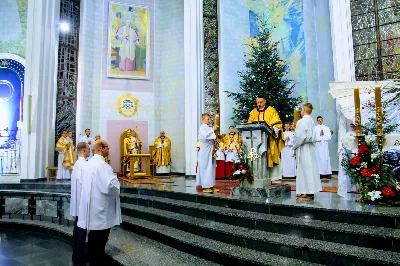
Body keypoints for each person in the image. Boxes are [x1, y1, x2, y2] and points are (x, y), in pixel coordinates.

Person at [77, 139, 121, 266]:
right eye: (107, 147)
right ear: (101, 148)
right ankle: (98, 257)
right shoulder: (103, 166)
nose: (109, 150)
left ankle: (93, 256)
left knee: (94, 234)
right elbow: (109, 186)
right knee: (101, 234)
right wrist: (116, 181)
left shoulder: (89, 163)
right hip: (101, 207)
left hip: (92, 206)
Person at [248, 95, 285, 180]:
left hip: (269, 139)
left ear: (265, 102)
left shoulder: (271, 111)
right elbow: (249, 124)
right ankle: (257, 177)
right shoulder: (253, 112)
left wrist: (273, 128)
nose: (259, 104)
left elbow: (278, 124)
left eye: (261, 102)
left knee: (270, 156)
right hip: (256, 140)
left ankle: (272, 178)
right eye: (257, 102)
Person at [293, 103, 322, 199]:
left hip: (304, 147)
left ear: (304, 110)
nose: (300, 111)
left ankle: (307, 191)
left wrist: (294, 146)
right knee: (311, 168)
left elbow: (300, 137)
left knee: (305, 169)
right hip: (310, 147)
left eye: (301, 110)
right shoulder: (312, 121)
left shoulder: (301, 122)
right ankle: (310, 190)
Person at [70, 142, 90, 262]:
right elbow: (85, 183)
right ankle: (79, 252)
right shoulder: (84, 165)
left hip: (77, 199)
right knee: (82, 226)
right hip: (82, 199)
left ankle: (76, 249)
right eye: (88, 149)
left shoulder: (77, 163)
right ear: (83, 150)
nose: (89, 151)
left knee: (78, 224)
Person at [197, 113, 219, 193]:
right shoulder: (202, 127)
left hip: (211, 148)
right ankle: (206, 186)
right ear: (203, 119)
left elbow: (213, 136)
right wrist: (212, 129)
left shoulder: (209, 127)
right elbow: (205, 136)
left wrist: (215, 140)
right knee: (206, 166)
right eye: (208, 119)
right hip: (205, 148)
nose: (209, 120)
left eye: (209, 119)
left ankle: (211, 185)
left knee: (212, 166)